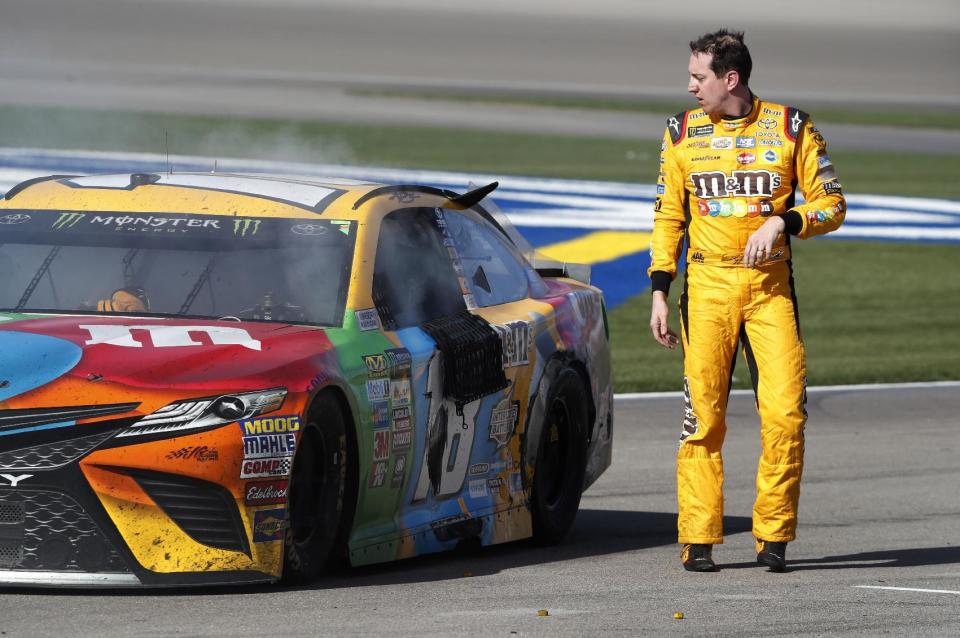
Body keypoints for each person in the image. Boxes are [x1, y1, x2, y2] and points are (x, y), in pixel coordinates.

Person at [648, 29, 845, 573]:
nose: (689, 87)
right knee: (702, 420)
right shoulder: (680, 133)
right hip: (706, 290)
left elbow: (833, 204)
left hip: (769, 291)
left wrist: (785, 221)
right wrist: (660, 293)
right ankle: (698, 539)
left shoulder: (791, 126)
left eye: (698, 77)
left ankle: (774, 536)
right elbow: (668, 215)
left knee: (784, 414)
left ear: (729, 79)